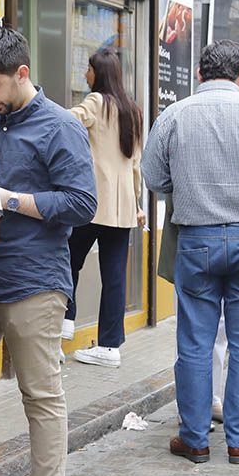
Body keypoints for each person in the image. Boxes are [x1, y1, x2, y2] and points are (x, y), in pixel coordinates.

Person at [0, 26, 96, 476]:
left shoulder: (61, 126)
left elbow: (83, 204)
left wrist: (8, 199)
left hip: (35, 280)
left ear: (22, 73)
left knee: (40, 395)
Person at [142, 40, 239, 466]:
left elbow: (154, 177)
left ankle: (194, 439)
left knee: (195, 342)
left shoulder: (174, 115)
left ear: (199, 74)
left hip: (196, 240)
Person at [64, 48, 144, 366]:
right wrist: (137, 204)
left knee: (67, 261)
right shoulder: (133, 110)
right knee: (114, 276)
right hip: (122, 206)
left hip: (93, 203)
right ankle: (110, 347)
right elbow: (136, 164)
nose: (85, 74)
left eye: (88, 69)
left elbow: (67, 121)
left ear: (99, 73)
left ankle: (64, 324)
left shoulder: (97, 102)